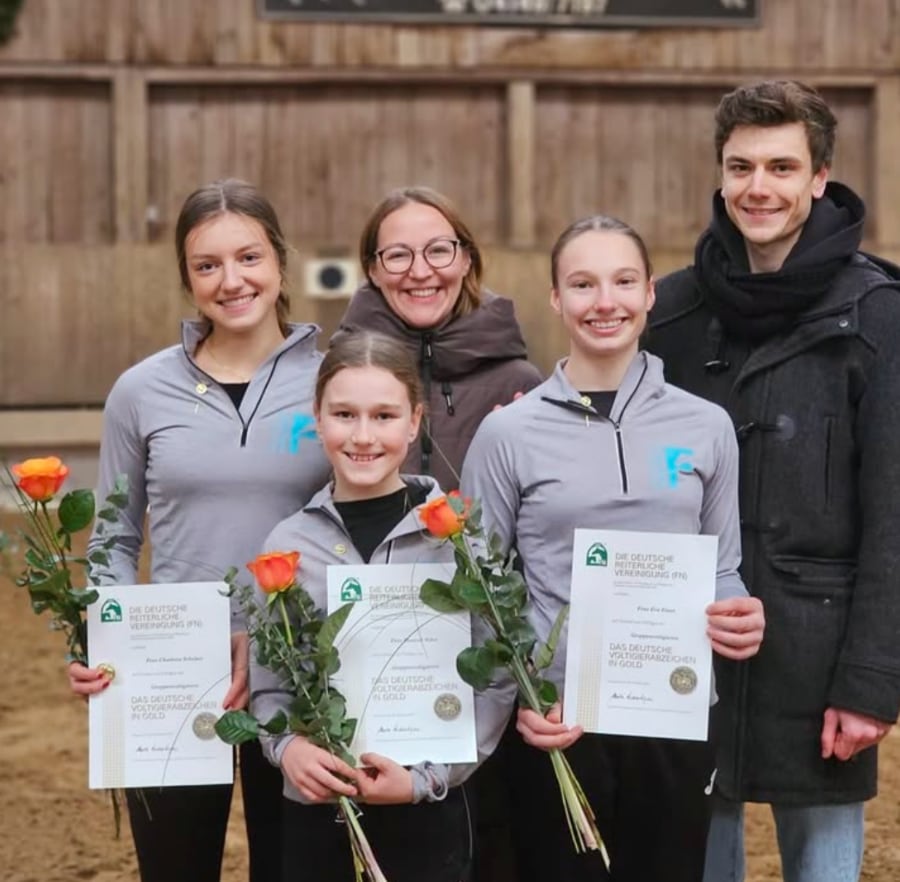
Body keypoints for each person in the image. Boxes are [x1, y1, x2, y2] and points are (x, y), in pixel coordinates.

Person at [646, 79, 900, 882]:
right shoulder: (674, 313)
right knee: (690, 857)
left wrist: (871, 681)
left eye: (783, 167)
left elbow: (895, 511)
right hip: (685, 646)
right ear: (720, 174)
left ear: (820, 177)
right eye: (742, 166)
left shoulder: (880, 315)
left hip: (820, 655)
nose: (760, 188)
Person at [461, 215, 765, 882]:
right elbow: (480, 587)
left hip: (671, 709)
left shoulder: (706, 425)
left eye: (624, 280)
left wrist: (739, 611)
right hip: (559, 720)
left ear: (650, 292)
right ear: (556, 299)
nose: (605, 301)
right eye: (583, 283)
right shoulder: (508, 433)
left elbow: (722, 567)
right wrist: (524, 699)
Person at [67, 179, 332, 882]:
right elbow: (114, 539)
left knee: (295, 868)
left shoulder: (335, 381)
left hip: (304, 671)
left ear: (279, 261)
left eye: (248, 257)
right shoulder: (140, 391)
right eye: (206, 265)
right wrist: (107, 639)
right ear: (186, 278)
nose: (231, 280)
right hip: (176, 670)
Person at [248, 330, 513, 882]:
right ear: (317, 420)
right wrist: (288, 748)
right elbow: (269, 683)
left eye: (384, 416)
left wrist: (428, 779)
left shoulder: (458, 539)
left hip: (429, 812)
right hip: (320, 811)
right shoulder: (287, 544)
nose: (363, 436)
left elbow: (496, 675)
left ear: (414, 422)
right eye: (344, 414)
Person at [337, 185, 542, 492]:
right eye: (397, 255)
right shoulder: (337, 376)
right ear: (373, 271)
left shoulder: (517, 386)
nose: (420, 272)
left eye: (438, 251)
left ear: (466, 260)